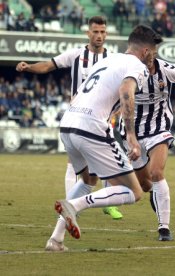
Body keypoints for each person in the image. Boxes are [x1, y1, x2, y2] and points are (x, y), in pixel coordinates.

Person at [55, 24, 162, 242]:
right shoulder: (137, 66)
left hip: (67, 123)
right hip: (91, 127)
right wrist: (131, 136)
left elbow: (76, 96)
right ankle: (74, 205)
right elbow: (125, 91)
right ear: (146, 52)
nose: (154, 57)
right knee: (134, 192)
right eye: (154, 53)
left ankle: (55, 240)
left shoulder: (106, 61)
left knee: (87, 180)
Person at [16, 16, 124, 220]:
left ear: (106, 34)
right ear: (88, 33)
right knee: (74, 163)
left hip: (102, 119)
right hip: (78, 117)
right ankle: (71, 202)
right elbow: (49, 65)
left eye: (102, 32)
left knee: (108, 160)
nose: (99, 36)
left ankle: (107, 204)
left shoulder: (113, 59)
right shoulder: (76, 55)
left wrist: (117, 109)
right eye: (95, 32)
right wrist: (29, 67)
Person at [118, 58, 175, 241]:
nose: (148, 55)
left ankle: (164, 228)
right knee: (144, 185)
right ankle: (156, 193)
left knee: (157, 172)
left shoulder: (167, 69)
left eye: (152, 50)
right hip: (132, 134)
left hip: (159, 130)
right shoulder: (126, 71)